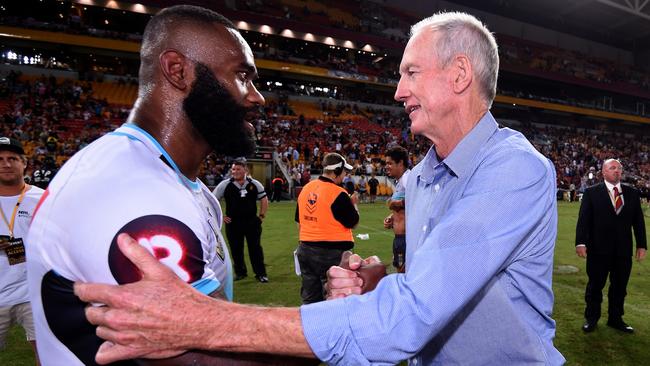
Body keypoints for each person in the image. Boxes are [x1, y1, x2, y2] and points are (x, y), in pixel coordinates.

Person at [74, 11, 565, 365]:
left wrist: (202, 321)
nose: (398, 91)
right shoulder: (419, 178)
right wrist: (379, 284)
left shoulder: (514, 171)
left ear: (460, 74)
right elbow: (436, 288)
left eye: (410, 72)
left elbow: (408, 319)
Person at [24, 5, 286, 365]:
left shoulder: (176, 182)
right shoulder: (136, 196)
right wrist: (343, 324)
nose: (256, 96)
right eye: (242, 75)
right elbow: (210, 357)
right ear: (178, 71)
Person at [576, 158, 647, 333]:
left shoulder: (632, 193)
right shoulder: (592, 192)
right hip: (598, 249)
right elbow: (583, 220)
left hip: (623, 251)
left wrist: (641, 245)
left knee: (620, 287)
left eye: (619, 168)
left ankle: (615, 319)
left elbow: (638, 221)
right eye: (612, 168)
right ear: (604, 172)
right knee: (595, 285)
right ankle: (592, 318)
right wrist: (580, 242)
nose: (617, 171)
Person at [294, 152, 359, 304]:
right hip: (331, 252)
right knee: (333, 297)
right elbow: (353, 222)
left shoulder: (307, 188)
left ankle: (310, 327)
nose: (344, 176)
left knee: (310, 297)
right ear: (336, 171)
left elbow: (299, 221)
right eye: (343, 172)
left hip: (305, 248)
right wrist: (353, 204)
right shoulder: (338, 193)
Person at [0, 137, 43, 365]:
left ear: (24, 163)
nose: (6, 163)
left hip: (33, 291)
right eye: (0, 159)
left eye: (12, 158)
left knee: (45, 352)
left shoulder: (42, 198)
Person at [213, 159, 269, 283]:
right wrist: (221, 216)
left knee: (255, 249)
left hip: (251, 222)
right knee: (235, 249)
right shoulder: (224, 184)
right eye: (233, 169)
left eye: (238, 169)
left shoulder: (254, 183)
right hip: (233, 224)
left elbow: (264, 199)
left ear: (245, 170)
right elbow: (213, 201)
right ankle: (240, 273)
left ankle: (261, 274)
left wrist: (261, 216)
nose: (235, 171)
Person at [382, 145, 410, 272]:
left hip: (406, 239)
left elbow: (420, 200)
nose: (386, 166)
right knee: (400, 272)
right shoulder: (400, 182)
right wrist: (392, 217)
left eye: (390, 163)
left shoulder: (408, 178)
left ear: (400, 163)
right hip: (399, 239)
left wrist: (399, 204)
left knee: (404, 275)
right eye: (386, 163)